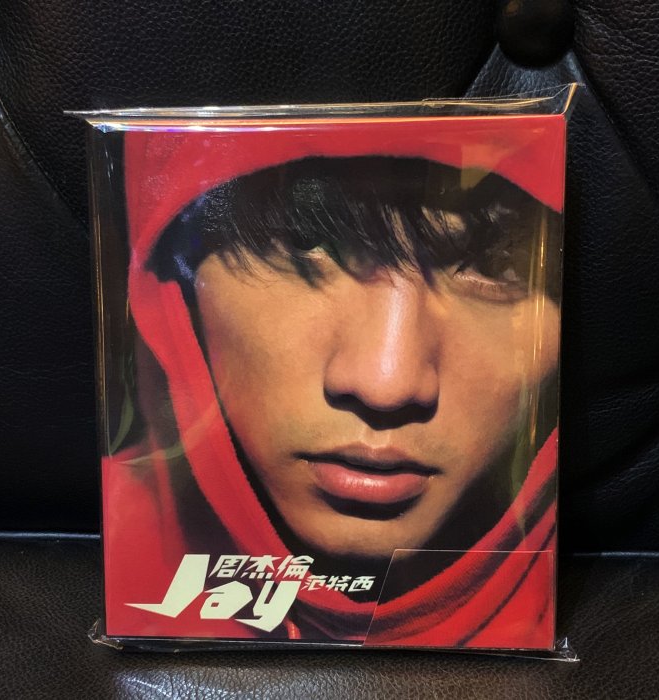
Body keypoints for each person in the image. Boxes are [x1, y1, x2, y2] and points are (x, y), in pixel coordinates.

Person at [101, 117, 565, 649]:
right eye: (305, 240)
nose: (386, 384)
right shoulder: (90, 550)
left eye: (496, 265)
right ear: (174, 289)